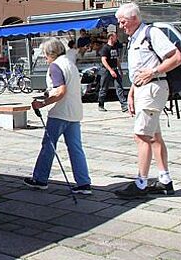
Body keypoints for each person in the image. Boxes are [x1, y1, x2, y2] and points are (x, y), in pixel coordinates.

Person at [114, 3, 181, 198]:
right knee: (153, 136)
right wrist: (132, 92)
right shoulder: (134, 38)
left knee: (141, 136)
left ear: (134, 18)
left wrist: (154, 72)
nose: (121, 26)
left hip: (153, 89)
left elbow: (176, 58)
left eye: (123, 21)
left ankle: (141, 184)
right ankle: (165, 180)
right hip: (144, 90)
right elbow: (139, 70)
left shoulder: (151, 33)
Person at [24, 38, 92, 195]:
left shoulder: (55, 66)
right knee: (75, 148)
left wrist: (43, 103)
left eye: (45, 55)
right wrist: (48, 94)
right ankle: (83, 182)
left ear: (51, 53)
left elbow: (61, 91)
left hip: (60, 112)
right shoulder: (70, 63)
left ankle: (40, 179)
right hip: (74, 112)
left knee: (48, 145)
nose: (45, 58)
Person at [97, 32, 128, 113]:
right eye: (115, 36)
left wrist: (120, 69)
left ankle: (124, 105)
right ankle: (101, 104)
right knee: (104, 88)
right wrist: (110, 70)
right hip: (106, 71)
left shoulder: (115, 47)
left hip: (115, 69)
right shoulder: (105, 48)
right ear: (111, 37)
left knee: (119, 87)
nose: (116, 38)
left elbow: (116, 59)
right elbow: (103, 60)